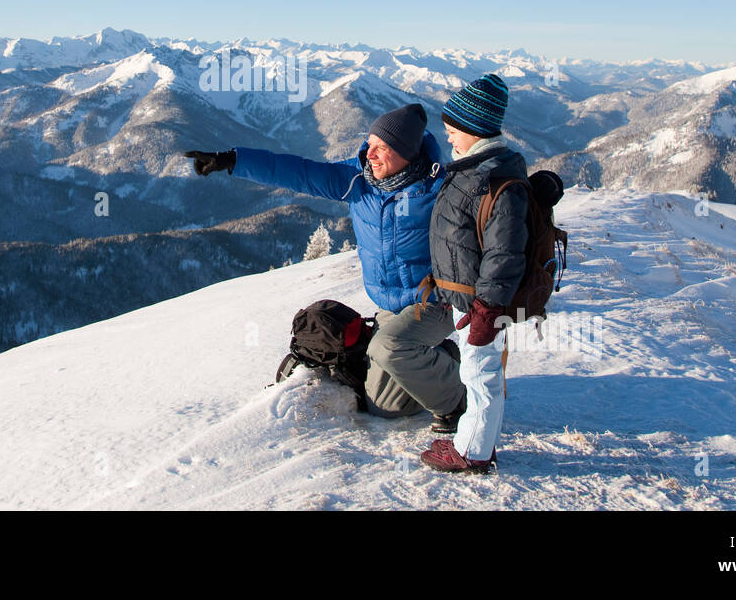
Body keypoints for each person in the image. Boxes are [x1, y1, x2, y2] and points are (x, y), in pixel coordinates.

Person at [184, 103, 466, 428]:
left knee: (390, 348)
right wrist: (234, 160)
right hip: (390, 307)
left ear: (408, 153)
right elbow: (300, 172)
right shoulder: (356, 181)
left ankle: (456, 401)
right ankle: (442, 357)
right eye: (370, 143)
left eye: (382, 148)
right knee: (385, 407)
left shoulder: (439, 191)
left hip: (435, 304)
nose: (369, 154)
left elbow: (489, 208)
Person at [419, 73, 530, 474]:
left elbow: (505, 254)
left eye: (453, 132)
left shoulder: (494, 179)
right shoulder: (476, 168)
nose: (448, 138)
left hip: (481, 303)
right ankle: (473, 440)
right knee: (475, 371)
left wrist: (487, 309)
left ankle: (473, 453)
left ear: (475, 129)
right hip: (468, 298)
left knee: (481, 374)